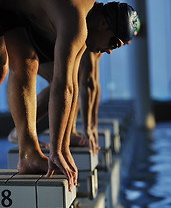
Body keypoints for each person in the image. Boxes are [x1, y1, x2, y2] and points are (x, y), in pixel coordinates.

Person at [0, 0, 138, 190]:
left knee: (28, 62)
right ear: (103, 23)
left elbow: (73, 86)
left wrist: (63, 147)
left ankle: (29, 153)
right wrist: (57, 151)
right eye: (115, 43)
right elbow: (62, 86)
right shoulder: (76, 20)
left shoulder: (85, 17)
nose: (110, 51)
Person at [8, 15, 140, 154]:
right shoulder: (89, 32)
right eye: (122, 41)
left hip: (42, 38)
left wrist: (92, 125)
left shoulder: (101, 39)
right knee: (68, 81)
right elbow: (86, 83)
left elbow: (93, 83)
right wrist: (87, 128)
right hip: (29, 33)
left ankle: (68, 131)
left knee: (71, 79)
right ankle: (20, 131)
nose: (128, 44)